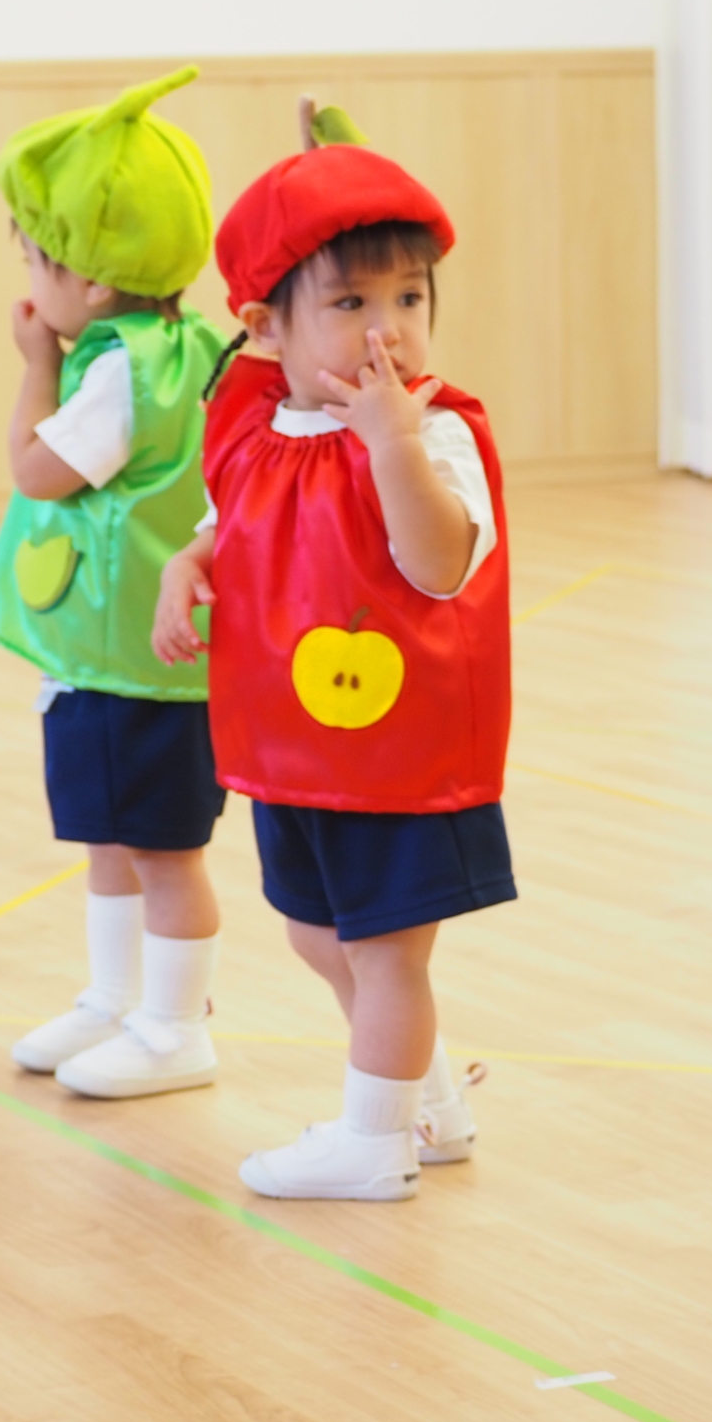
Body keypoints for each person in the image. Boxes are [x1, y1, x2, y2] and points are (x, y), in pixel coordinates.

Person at [154, 104, 515, 1200]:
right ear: (265, 327)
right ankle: (430, 1101)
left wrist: (394, 445)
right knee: (317, 932)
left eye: (408, 299)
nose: (387, 330)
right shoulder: (262, 424)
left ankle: (370, 1144)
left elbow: (441, 559)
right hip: (294, 746)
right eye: (350, 303)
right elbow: (245, 516)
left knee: (387, 951)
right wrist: (191, 561)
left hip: (401, 757)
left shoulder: (432, 430)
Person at [0, 68, 231, 1099]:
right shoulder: (182, 347)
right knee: (109, 840)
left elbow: (36, 468)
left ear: (86, 284)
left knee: (160, 852)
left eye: (36, 260)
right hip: (111, 658)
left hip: (135, 664)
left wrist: (32, 361)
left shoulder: (118, 366)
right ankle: (114, 996)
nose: (29, 284)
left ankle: (174, 1026)